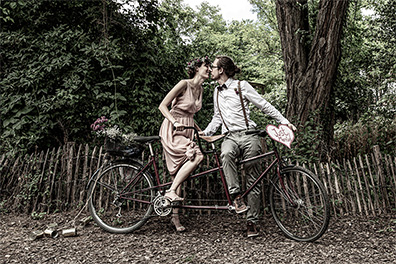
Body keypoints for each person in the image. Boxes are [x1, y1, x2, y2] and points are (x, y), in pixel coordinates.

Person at [201, 55, 296, 237]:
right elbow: (217, 117)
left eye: (213, 67)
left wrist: (284, 121)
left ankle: (252, 223)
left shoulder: (241, 86)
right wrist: (207, 132)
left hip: (249, 135)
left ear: (221, 70)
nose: (210, 70)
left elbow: (264, 105)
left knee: (254, 178)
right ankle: (237, 197)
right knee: (226, 154)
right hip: (229, 136)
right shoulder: (216, 91)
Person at [158, 56, 211, 232]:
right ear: (197, 68)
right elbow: (163, 106)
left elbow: (189, 114)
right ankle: (170, 192)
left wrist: (200, 131)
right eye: (206, 66)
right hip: (173, 130)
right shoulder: (184, 84)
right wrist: (174, 122)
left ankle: (175, 219)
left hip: (188, 128)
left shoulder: (201, 89)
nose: (209, 69)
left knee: (178, 175)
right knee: (198, 156)